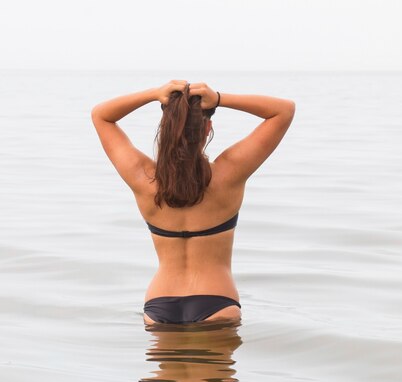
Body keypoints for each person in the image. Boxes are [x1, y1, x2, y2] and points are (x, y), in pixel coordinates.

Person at [91, 80, 295, 325]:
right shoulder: (229, 173)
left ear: (165, 128)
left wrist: (154, 94)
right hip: (217, 301)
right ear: (207, 128)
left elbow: (100, 115)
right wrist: (219, 98)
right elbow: (284, 110)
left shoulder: (143, 177)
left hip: (159, 306)